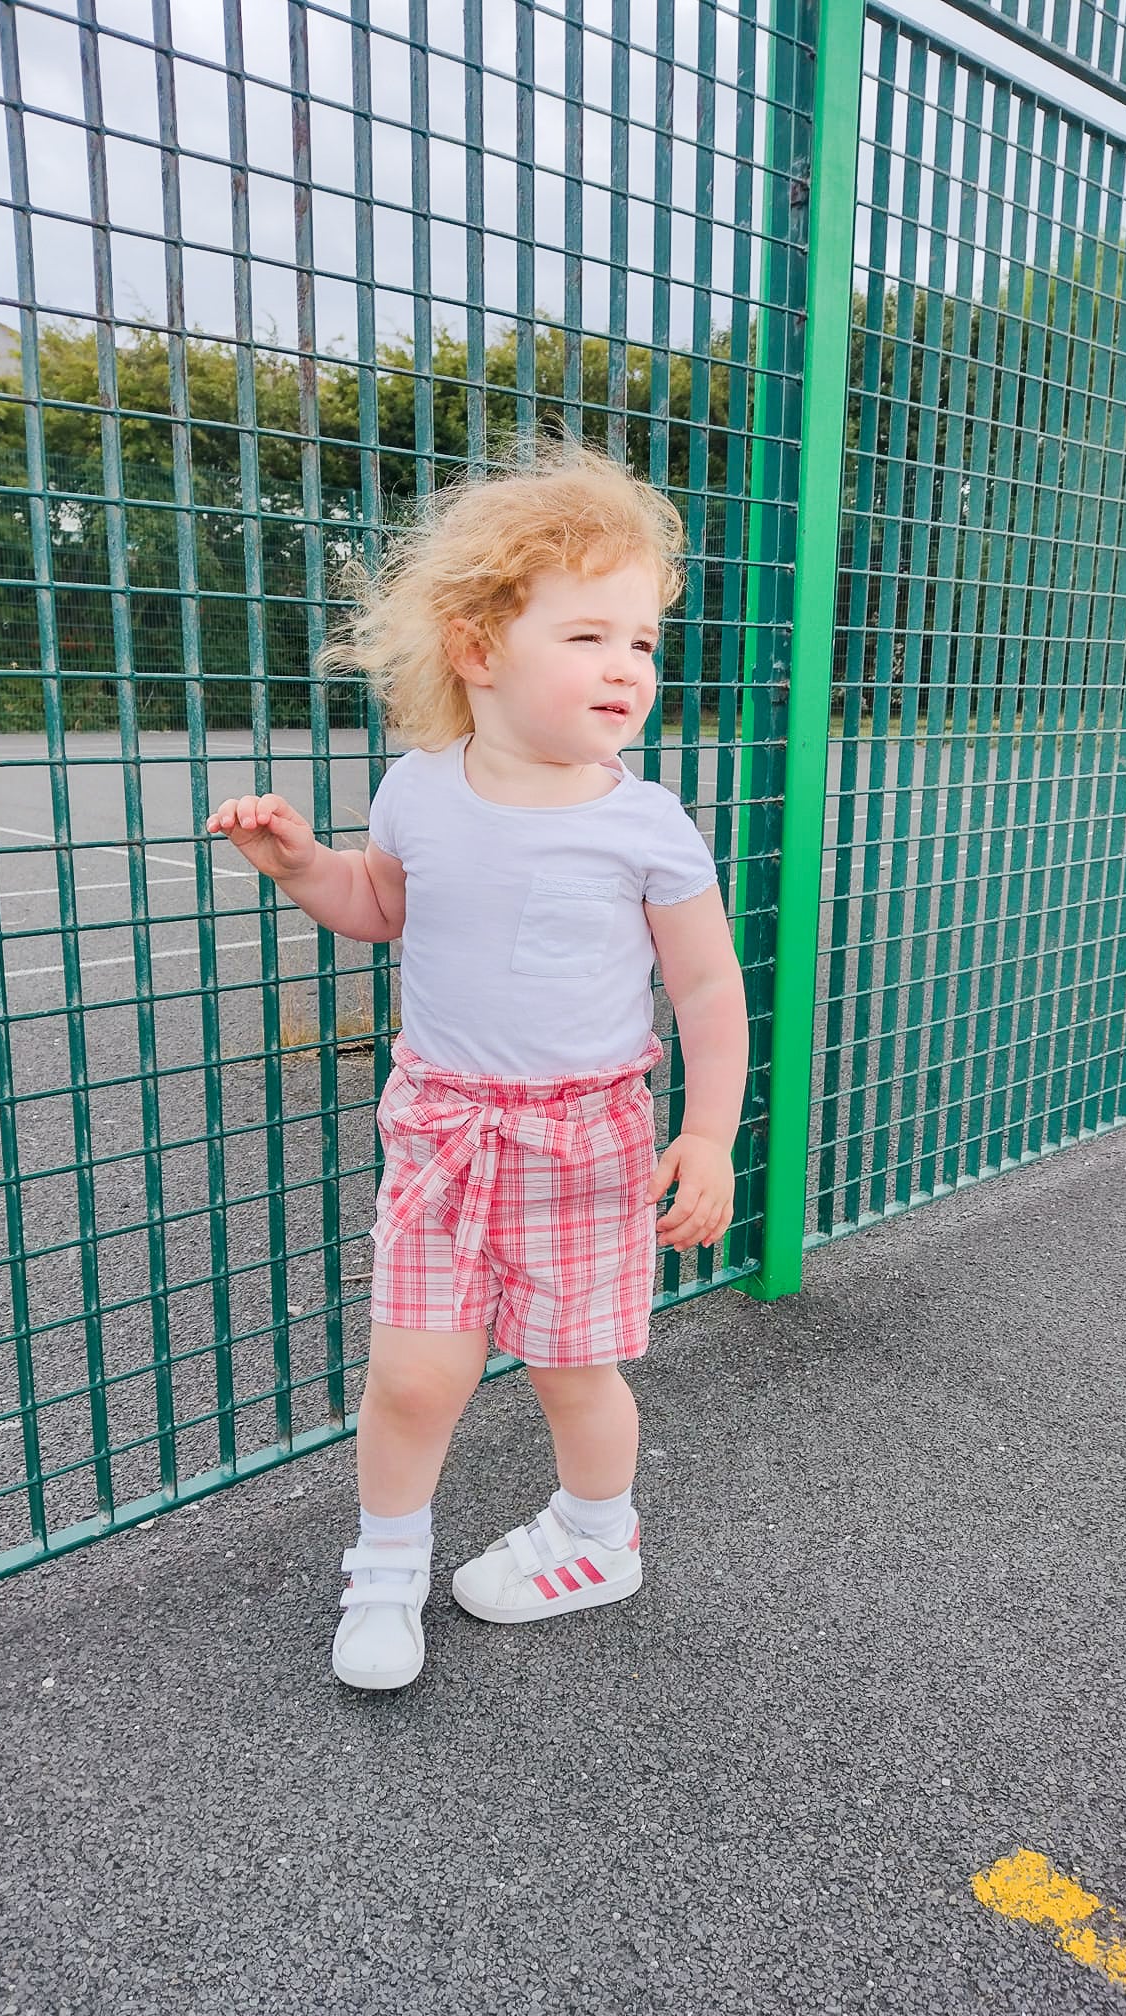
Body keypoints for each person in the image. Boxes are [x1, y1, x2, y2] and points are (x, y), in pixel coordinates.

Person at [205, 432, 749, 1690]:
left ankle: (597, 1536)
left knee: (574, 1370)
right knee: (410, 1373)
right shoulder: (417, 790)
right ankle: (386, 1568)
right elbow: (382, 902)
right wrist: (297, 863)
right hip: (442, 1127)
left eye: (641, 644)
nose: (626, 668)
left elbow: (708, 987)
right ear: (478, 649)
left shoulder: (646, 823)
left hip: (585, 1137)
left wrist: (711, 1130)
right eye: (588, 636)